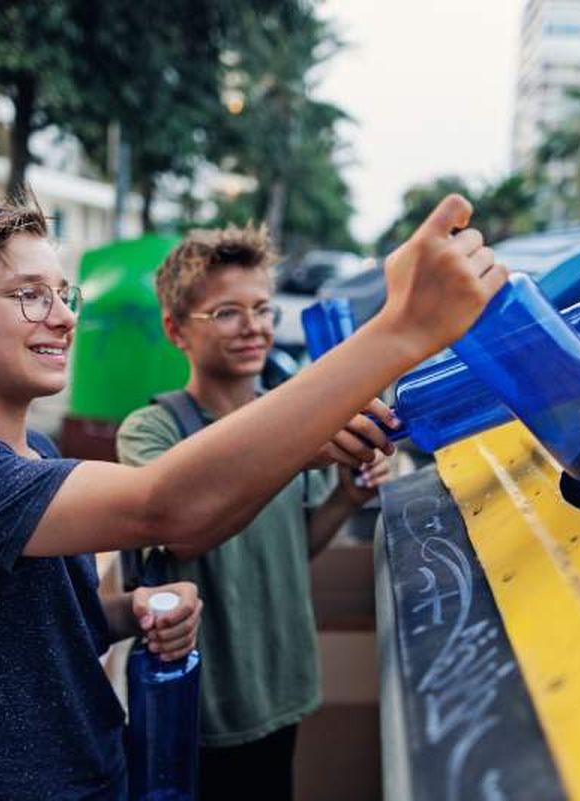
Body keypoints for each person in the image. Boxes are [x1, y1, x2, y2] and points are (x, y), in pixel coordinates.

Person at [0, 193, 504, 800]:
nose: (63, 315)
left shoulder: (37, 457)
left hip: (96, 775)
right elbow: (162, 507)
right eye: (27, 295)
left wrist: (132, 608)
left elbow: (62, 621)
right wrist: (399, 329)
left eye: (62, 292)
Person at [116, 225, 391, 801]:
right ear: (175, 330)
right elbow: (184, 532)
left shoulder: (293, 420)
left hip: (280, 685)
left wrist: (347, 496)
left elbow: (297, 542)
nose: (254, 327)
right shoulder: (152, 431)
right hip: (199, 706)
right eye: (226, 312)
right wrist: (292, 450)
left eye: (263, 308)